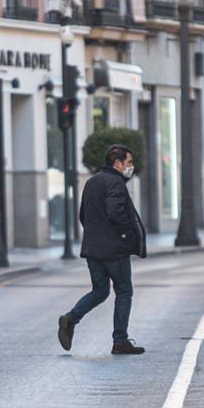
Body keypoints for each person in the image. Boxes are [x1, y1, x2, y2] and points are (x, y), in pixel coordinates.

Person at [58, 143, 147, 355]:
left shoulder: (92, 181)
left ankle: (70, 318)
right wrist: (127, 234)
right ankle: (120, 341)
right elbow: (116, 212)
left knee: (99, 291)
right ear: (117, 163)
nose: (131, 166)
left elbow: (83, 215)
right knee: (124, 291)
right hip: (114, 249)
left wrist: (95, 234)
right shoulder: (116, 183)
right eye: (128, 162)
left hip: (93, 248)